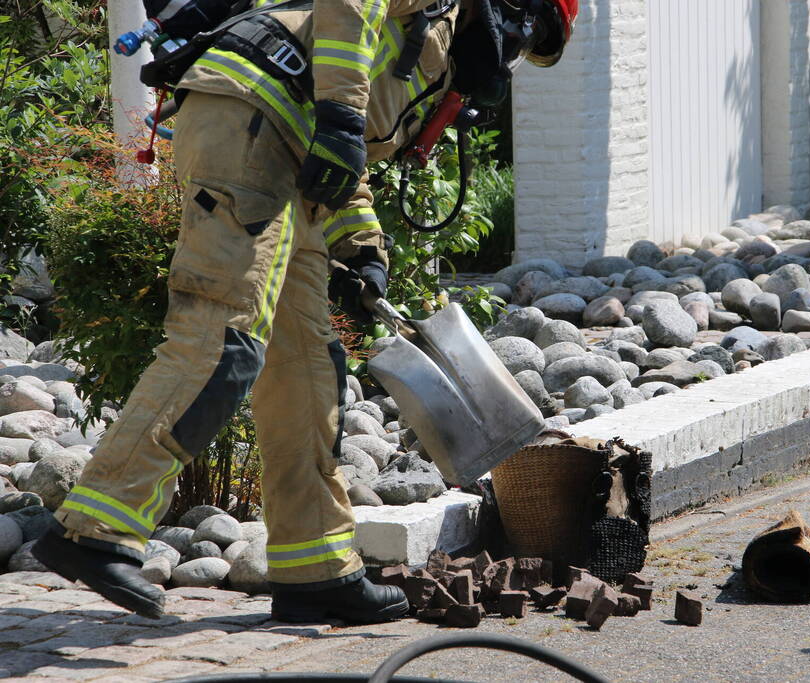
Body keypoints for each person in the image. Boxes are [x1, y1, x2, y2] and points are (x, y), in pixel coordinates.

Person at [32, 0, 578, 624]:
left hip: (286, 146)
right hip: (253, 116)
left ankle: (316, 570)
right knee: (222, 338)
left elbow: (347, 161)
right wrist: (343, 117)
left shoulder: (436, 49)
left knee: (306, 366)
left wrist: (363, 248)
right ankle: (93, 526)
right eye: (528, 38)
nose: (513, 57)